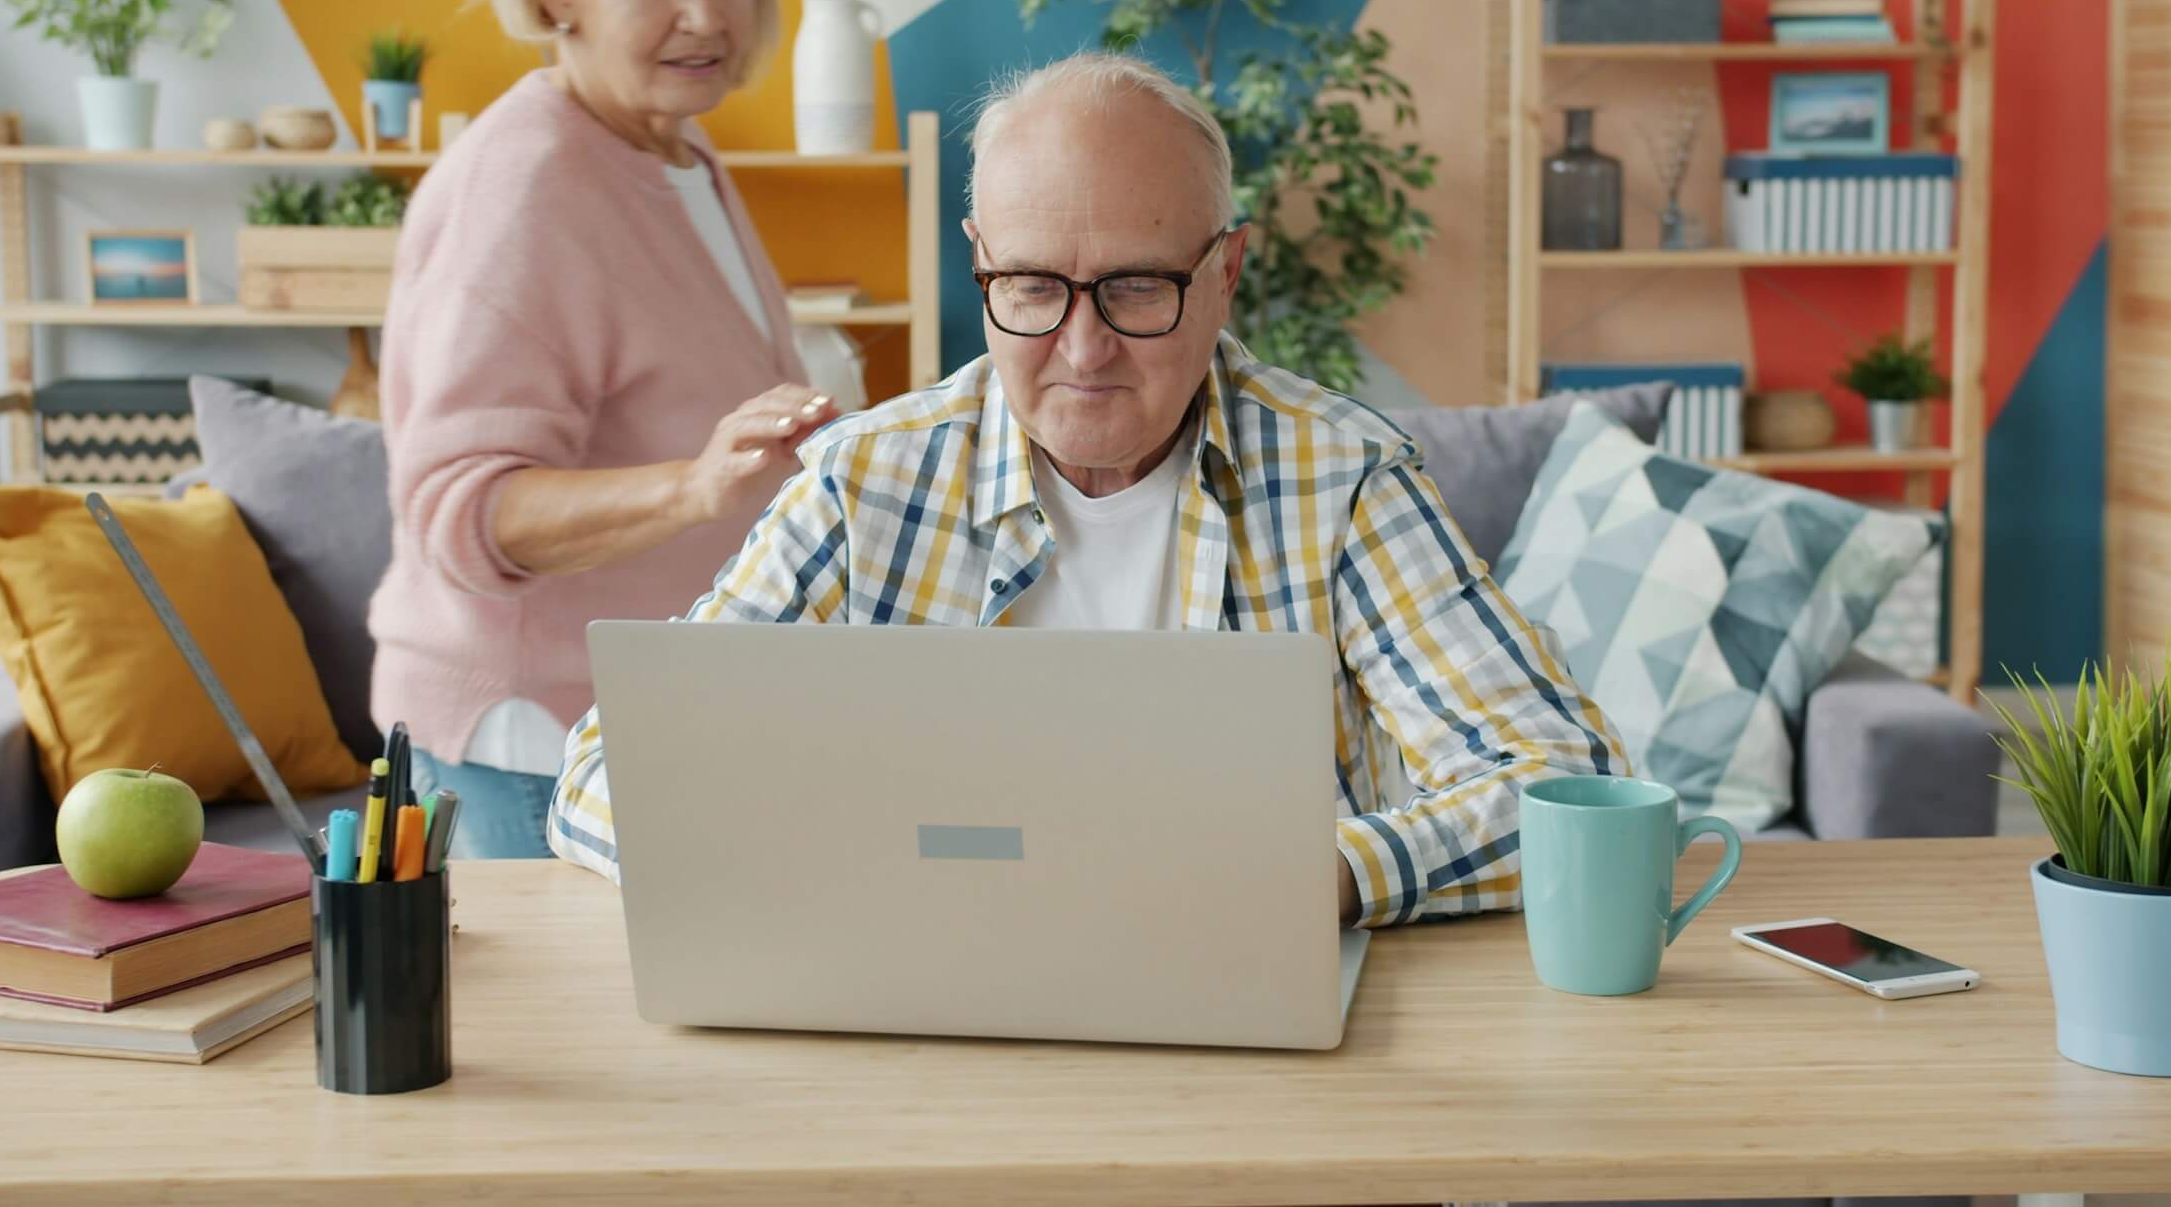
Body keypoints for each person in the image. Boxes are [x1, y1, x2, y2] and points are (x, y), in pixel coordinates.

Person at [549, 53, 1627, 928]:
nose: (1083, 349)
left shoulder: (1342, 479)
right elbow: (609, 774)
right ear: (979, 263)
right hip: (919, 1016)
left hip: (1245, 1029)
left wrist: (1337, 874)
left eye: (1134, 287)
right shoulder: (864, 481)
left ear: (1225, 273)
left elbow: (1567, 785)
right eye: (1030, 287)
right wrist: (823, 878)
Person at [368, 0, 838, 858]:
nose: (708, 13)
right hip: (529, 745)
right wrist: (690, 488)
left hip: (643, 720)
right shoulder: (526, 183)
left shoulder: (675, 152)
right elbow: (462, 508)